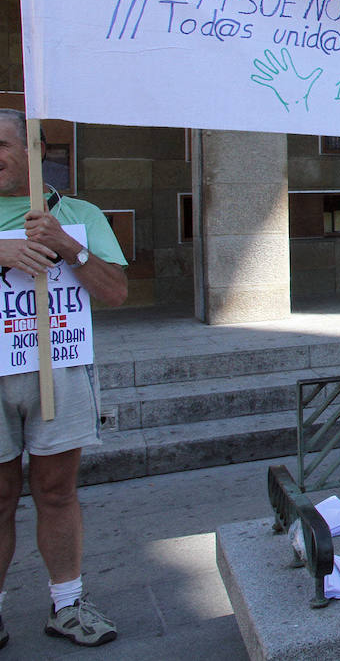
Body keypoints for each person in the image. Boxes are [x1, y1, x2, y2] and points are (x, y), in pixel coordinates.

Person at [0, 111, 128, 648]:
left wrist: (68, 247)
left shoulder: (78, 213)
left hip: (58, 368)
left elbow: (115, 292)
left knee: (56, 492)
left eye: (1, 146)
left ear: (34, 151)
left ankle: (68, 603)